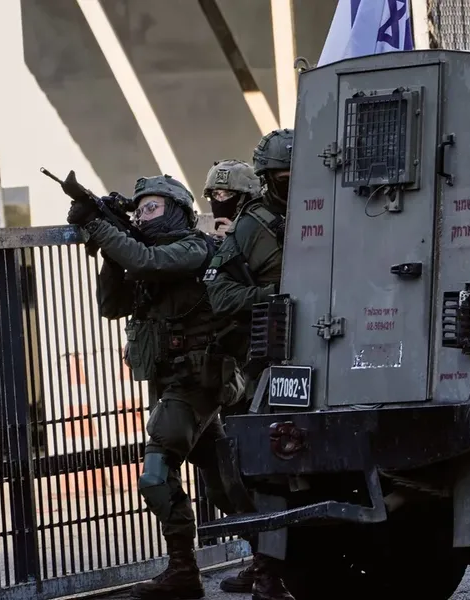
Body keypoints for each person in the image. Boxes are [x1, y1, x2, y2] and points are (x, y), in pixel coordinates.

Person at [64, 172, 245, 600]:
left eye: (152, 208)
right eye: (139, 210)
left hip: (196, 380)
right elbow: (112, 305)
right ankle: (269, 562)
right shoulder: (149, 255)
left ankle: (185, 571)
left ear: (177, 211)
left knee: (155, 475)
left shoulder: (193, 247)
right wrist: (112, 253)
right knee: (223, 484)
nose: (143, 216)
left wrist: (99, 225)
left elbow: (147, 261)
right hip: (173, 382)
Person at [204, 129, 295, 600]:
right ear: (267, 180)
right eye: (284, 178)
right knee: (259, 468)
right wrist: (277, 296)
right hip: (267, 363)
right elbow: (220, 295)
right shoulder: (252, 226)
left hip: (338, 357)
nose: (294, 186)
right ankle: (266, 568)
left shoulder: (339, 208)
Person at [203, 159, 261, 241]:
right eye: (215, 194)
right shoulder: (206, 237)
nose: (220, 200)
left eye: (228, 194)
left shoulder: (264, 230)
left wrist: (238, 238)